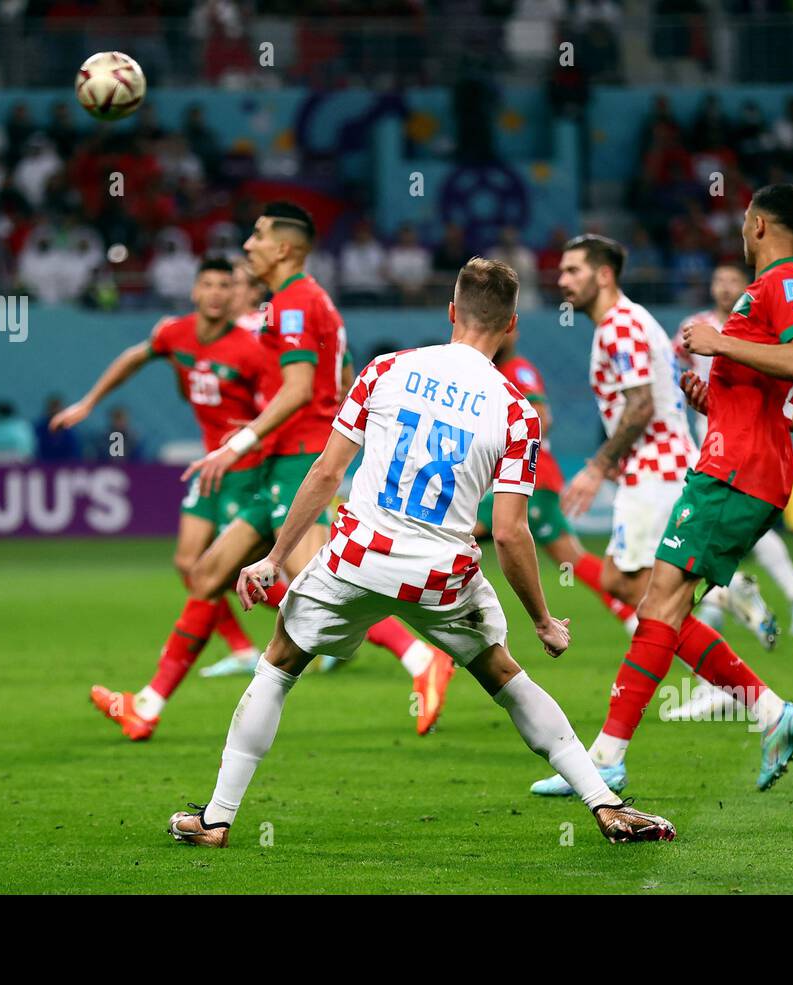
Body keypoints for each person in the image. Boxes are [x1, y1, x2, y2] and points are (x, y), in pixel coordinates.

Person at [167, 258, 676, 848]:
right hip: (440, 574)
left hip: (357, 557)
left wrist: (275, 558)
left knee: (279, 664)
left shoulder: (385, 370)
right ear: (511, 324)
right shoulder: (516, 411)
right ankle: (605, 803)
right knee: (506, 677)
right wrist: (541, 618)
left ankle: (217, 819)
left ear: (452, 312)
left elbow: (328, 472)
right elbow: (510, 534)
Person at [130, 203, 457, 734]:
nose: (248, 246)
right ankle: (146, 705)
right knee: (209, 573)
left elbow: (301, 388)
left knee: (319, 583)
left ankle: (423, 658)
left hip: (297, 459)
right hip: (284, 459)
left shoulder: (294, 301)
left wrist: (236, 444)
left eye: (256, 236)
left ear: (283, 247)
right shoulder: (307, 301)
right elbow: (344, 373)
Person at [634, 183, 793, 791]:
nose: (742, 232)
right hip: (745, 457)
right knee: (661, 606)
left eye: (745, 221)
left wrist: (719, 342)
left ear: (761, 224)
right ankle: (768, 711)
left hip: (736, 469)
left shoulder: (785, 285)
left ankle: (608, 755)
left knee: (658, 605)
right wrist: (713, 398)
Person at [529, 233, 722, 797]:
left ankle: (753, 699)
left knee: (648, 600)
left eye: (571, 270)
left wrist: (595, 467)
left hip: (657, 475)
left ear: (604, 275)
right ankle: (755, 702)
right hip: (654, 472)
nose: (561, 280)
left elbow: (640, 404)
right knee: (637, 592)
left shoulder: (619, 325)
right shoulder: (629, 320)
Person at [52, 258, 272, 739]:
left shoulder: (250, 348)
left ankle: (393, 643)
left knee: (263, 580)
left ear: (233, 293)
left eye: (224, 285)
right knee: (190, 565)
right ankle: (235, 649)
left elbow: (278, 405)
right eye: (207, 284)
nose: (215, 293)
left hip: (247, 472)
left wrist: (260, 445)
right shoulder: (176, 334)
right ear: (193, 290)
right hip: (209, 469)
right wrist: (89, 403)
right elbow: (136, 358)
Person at [673, 262, 793, 639]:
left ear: (745, 289)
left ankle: (723, 603)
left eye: (732, 281)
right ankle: (769, 594)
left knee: (701, 525)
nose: (724, 287)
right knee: (714, 524)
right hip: (702, 434)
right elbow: (674, 372)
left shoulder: (762, 325)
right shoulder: (694, 327)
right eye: (718, 280)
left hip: (743, 440)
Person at [471, 332, 640, 639]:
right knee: (573, 560)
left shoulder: (517, 368)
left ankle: (446, 631)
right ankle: (638, 616)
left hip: (531, 478)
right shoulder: (494, 372)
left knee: (456, 536)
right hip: (529, 477)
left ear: (512, 331)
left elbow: (541, 417)